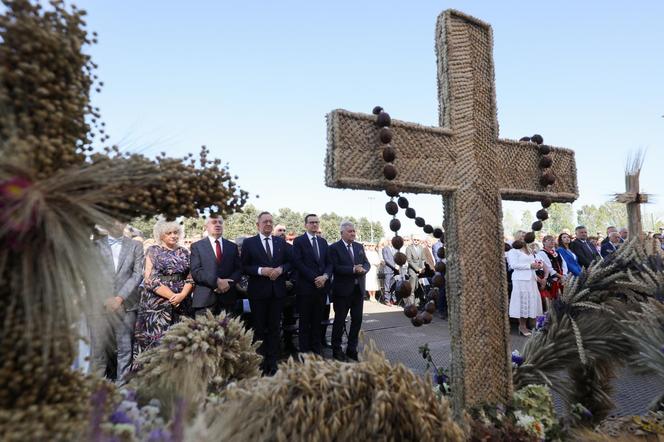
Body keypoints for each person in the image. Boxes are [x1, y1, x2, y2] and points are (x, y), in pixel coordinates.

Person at [90, 221, 144, 385]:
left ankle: (122, 389)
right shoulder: (95, 246)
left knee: (125, 348)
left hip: (127, 304)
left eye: (121, 220)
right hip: (100, 305)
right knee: (99, 350)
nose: (116, 223)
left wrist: (119, 298)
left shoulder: (135, 245)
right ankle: (96, 387)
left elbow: (137, 274)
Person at [133, 220, 194, 362]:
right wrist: (173, 296)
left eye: (176, 232)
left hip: (182, 304)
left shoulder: (185, 252)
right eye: (169, 233)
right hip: (156, 305)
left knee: (180, 343)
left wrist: (183, 295)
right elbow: (149, 278)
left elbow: (191, 276)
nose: (173, 235)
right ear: (161, 235)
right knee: (156, 343)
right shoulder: (152, 251)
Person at [241, 211, 291, 375]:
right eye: (265, 222)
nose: (268, 224)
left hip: (277, 293)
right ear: (258, 225)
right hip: (258, 293)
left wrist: (281, 269)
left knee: (275, 328)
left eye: (270, 221)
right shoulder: (249, 243)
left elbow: (290, 262)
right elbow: (244, 267)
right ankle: (260, 363)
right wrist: (261, 270)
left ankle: (273, 362)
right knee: (259, 329)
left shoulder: (280, 242)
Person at [329, 220, 371, 361]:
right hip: (342, 292)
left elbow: (367, 263)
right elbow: (335, 267)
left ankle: (351, 349)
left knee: (357, 320)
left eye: (354, 231)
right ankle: (337, 349)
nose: (353, 233)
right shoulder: (334, 248)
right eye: (350, 231)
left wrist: (364, 269)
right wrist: (353, 269)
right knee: (340, 321)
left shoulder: (359, 246)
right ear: (342, 233)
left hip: (358, 290)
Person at [292, 214, 331, 354]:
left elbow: (329, 263)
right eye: (311, 222)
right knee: (304, 321)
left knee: (317, 320)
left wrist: (325, 277)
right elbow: (298, 263)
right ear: (305, 225)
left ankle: (317, 347)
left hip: (321, 288)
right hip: (306, 288)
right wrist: (316, 278)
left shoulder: (323, 242)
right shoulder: (298, 241)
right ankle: (304, 349)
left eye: (316, 222)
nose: (314, 224)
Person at [190, 216, 242, 317]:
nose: (218, 224)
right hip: (205, 301)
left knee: (229, 332)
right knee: (203, 332)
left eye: (220, 222)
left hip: (228, 299)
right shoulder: (197, 246)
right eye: (214, 222)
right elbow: (196, 271)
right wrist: (217, 282)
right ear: (206, 226)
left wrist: (228, 283)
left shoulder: (232, 246)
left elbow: (238, 270)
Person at [507, 240, 544, 337]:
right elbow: (513, 265)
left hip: (531, 279)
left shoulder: (529, 250)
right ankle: (522, 326)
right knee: (522, 301)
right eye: (522, 236)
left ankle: (527, 325)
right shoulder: (513, 251)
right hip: (520, 279)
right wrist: (529, 265)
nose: (525, 238)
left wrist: (537, 267)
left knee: (530, 302)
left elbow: (533, 264)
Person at [536, 235, 567, 303]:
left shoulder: (556, 252)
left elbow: (564, 264)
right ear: (543, 242)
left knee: (563, 298)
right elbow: (548, 268)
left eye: (553, 240)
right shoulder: (541, 253)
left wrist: (564, 275)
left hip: (562, 278)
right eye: (549, 240)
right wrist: (560, 276)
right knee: (554, 299)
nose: (552, 241)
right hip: (552, 279)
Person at [405, 236, 426, 304]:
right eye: (415, 239)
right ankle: (411, 305)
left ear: (419, 241)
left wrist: (423, 268)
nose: (416, 241)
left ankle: (417, 304)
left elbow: (423, 259)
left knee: (418, 288)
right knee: (412, 289)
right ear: (412, 240)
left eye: (417, 240)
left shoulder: (421, 248)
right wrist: (417, 269)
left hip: (420, 271)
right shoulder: (409, 248)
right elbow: (409, 260)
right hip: (412, 271)